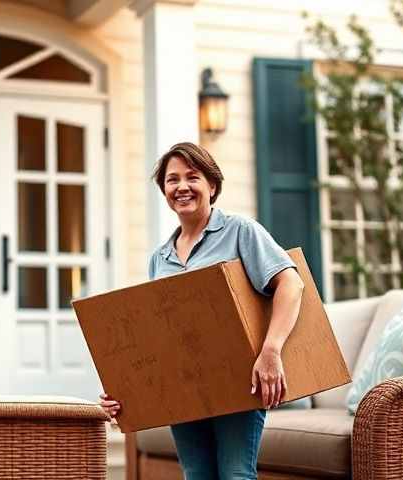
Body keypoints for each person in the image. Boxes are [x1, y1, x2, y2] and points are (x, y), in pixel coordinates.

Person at [100, 142, 305, 480]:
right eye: (171, 180)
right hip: (183, 386)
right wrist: (125, 389)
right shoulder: (160, 257)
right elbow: (159, 338)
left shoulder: (241, 231)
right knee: (196, 475)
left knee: (235, 474)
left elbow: (291, 284)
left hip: (239, 378)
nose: (181, 187)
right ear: (164, 191)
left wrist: (271, 351)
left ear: (212, 185)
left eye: (192, 177)